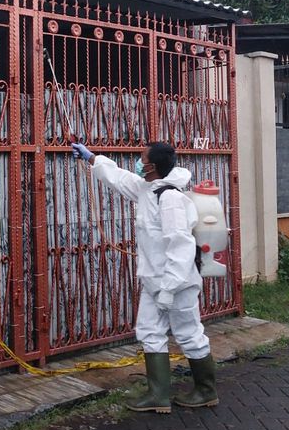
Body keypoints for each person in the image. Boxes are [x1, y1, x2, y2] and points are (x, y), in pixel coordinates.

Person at [71, 141, 218, 413]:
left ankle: (206, 390)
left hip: (177, 284)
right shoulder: (148, 189)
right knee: (150, 331)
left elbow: (180, 246)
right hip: (153, 281)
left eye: (141, 159)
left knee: (188, 334)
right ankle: (158, 395)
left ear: (151, 167)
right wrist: (92, 158)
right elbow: (120, 178)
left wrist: (169, 289)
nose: (138, 163)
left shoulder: (170, 198)